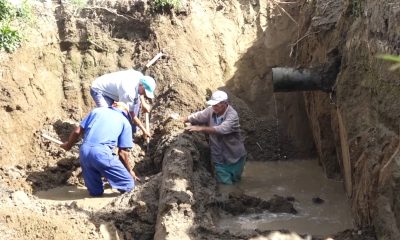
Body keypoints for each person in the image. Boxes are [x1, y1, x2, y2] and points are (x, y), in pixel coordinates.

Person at [61, 102, 140, 196]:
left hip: (84, 152)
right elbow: (123, 153)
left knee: (95, 193)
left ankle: (96, 190)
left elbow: (77, 131)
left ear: (113, 105)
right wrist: (129, 171)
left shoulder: (96, 111)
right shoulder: (125, 122)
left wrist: (68, 145)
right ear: (126, 113)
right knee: (129, 186)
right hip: (102, 153)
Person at [182, 90, 247, 184]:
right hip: (219, 158)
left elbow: (221, 129)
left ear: (225, 104)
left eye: (216, 105)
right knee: (226, 185)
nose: (213, 107)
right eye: (213, 105)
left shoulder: (232, 116)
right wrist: (185, 119)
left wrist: (199, 128)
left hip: (235, 157)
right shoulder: (211, 110)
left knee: (236, 182)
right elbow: (199, 116)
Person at [90, 69, 156, 138]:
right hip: (100, 90)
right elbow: (131, 114)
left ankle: (133, 130)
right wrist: (144, 130)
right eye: (145, 92)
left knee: (136, 102)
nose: (144, 94)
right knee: (107, 116)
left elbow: (140, 93)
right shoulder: (129, 92)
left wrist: (143, 103)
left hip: (115, 90)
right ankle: (100, 135)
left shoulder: (140, 76)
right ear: (141, 85)